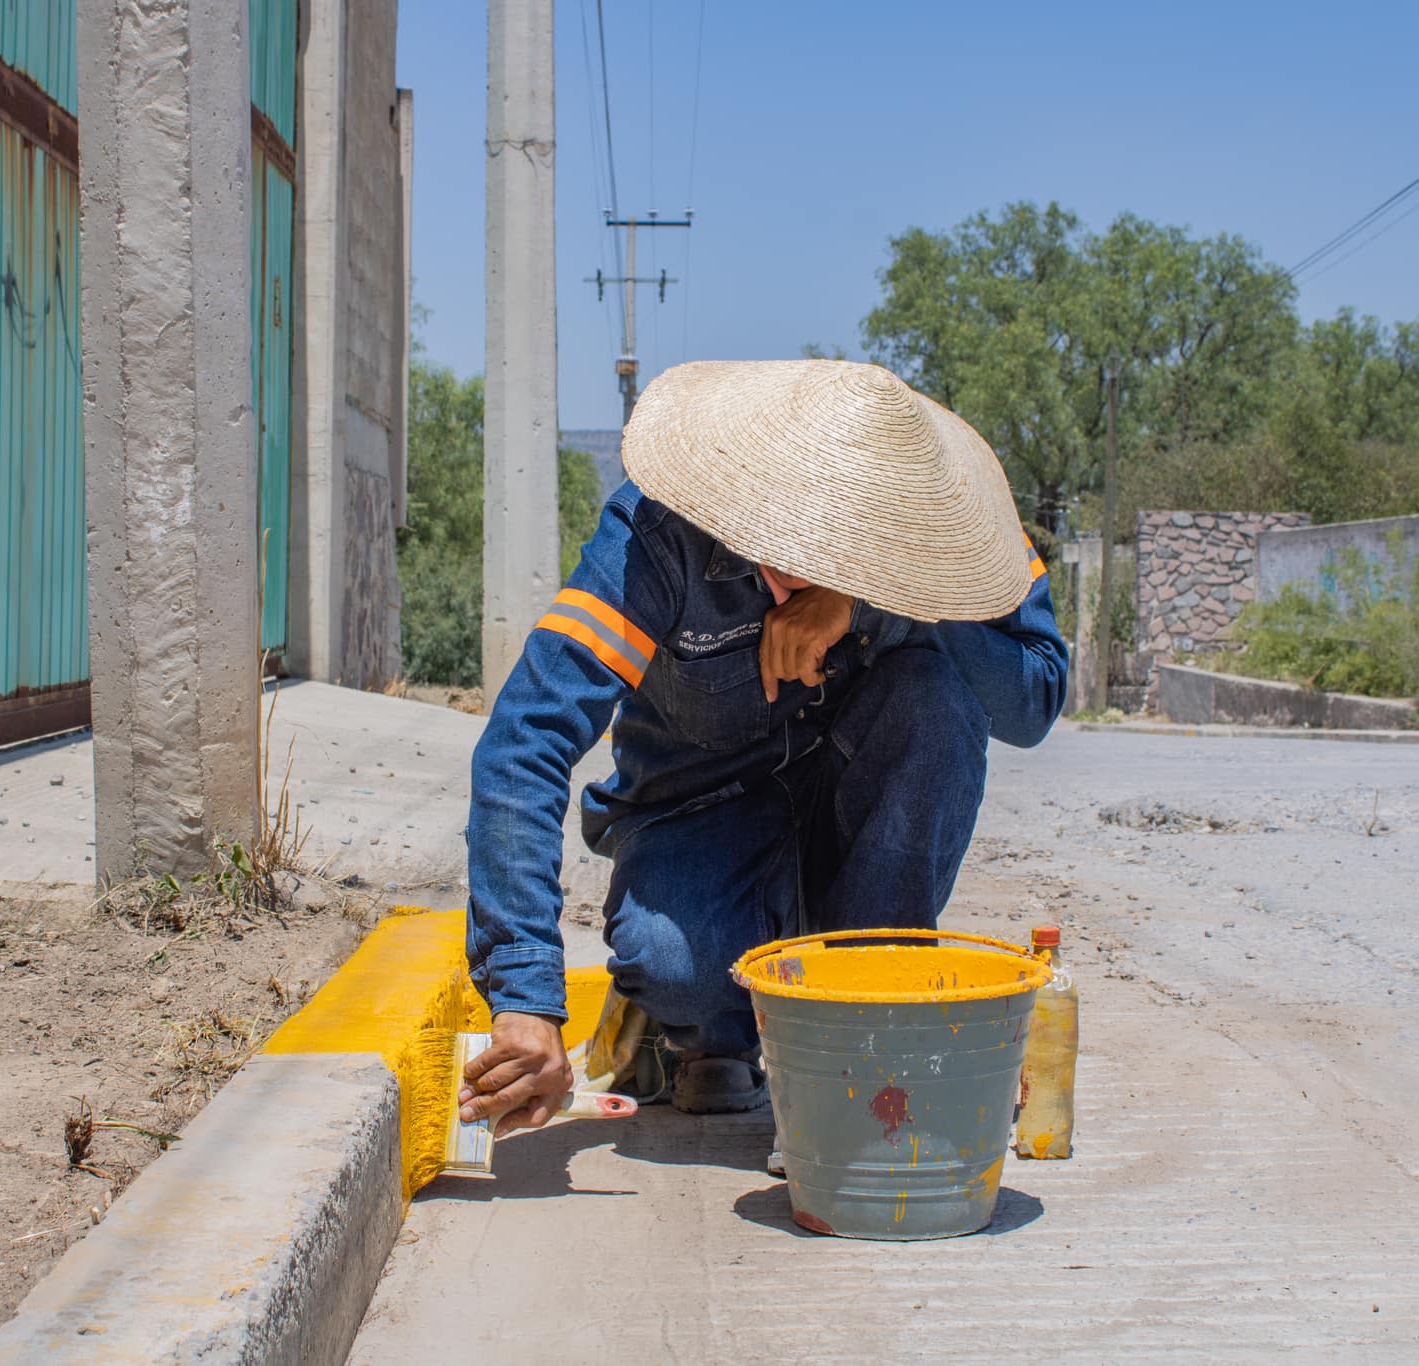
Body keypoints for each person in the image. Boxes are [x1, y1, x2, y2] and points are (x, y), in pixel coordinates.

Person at [457, 359, 1069, 1137]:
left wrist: (879, 601)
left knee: (935, 698)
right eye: (788, 539)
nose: (797, 567)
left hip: (856, 826)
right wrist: (524, 999)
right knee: (674, 964)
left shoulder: (955, 526)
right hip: (699, 815)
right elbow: (525, 740)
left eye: (845, 548)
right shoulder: (657, 531)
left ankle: (863, 1029)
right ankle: (707, 1030)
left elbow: (1033, 700)